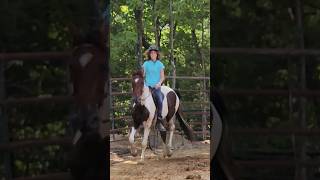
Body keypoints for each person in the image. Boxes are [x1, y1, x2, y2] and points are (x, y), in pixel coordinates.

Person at [142, 45, 166, 132]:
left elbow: (162, 77)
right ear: (149, 54)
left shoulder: (160, 64)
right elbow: (143, 75)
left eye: (154, 53)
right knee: (138, 98)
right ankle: (138, 118)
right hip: (147, 86)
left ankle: (159, 121)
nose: (153, 54)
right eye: (151, 53)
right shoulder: (146, 64)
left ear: (157, 54)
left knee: (159, 99)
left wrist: (159, 83)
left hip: (156, 87)